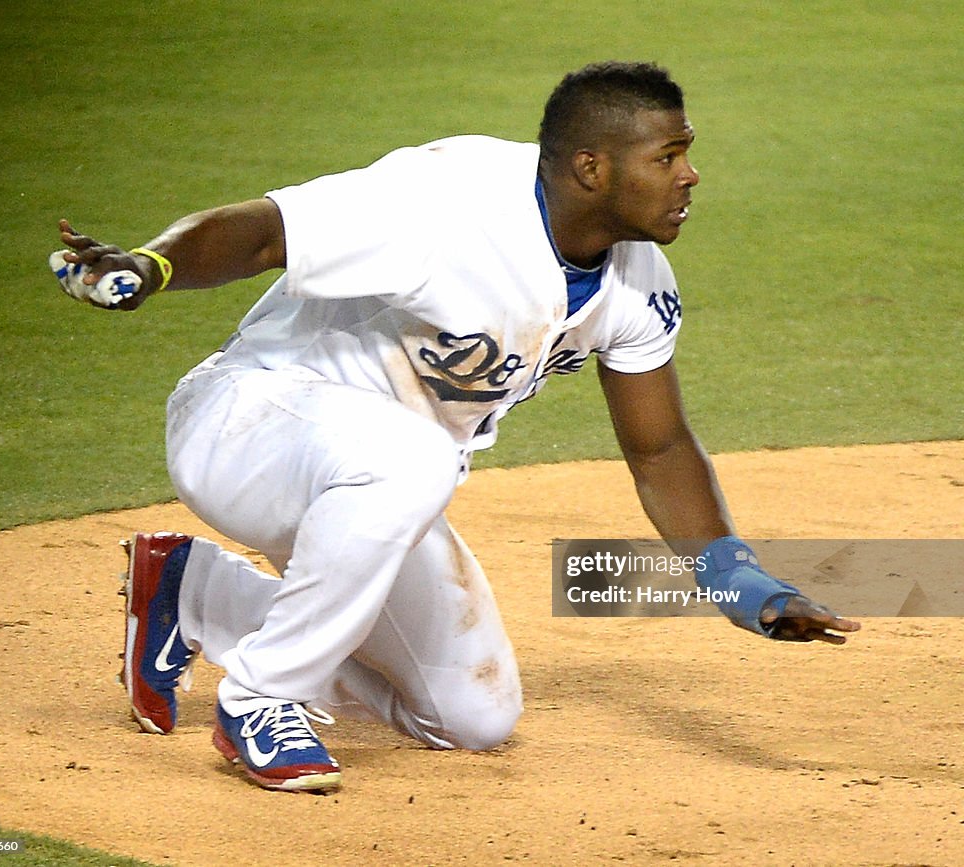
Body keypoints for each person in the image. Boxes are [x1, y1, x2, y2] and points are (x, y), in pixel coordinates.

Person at [52, 61, 860, 794]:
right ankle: (262, 695)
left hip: (380, 487)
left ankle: (198, 591)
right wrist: (150, 265)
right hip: (250, 423)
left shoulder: (636, 282)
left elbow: (661, 448)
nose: (690, 175)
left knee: (472, 716)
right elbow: (266, 229)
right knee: (413, 463)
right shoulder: (445, 201)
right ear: (592, 167)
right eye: (669, 156)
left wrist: (739, 582)